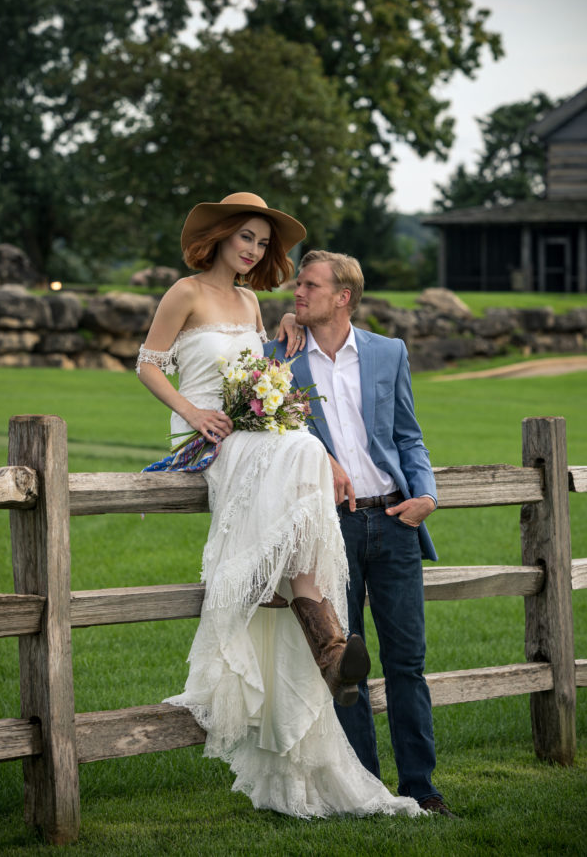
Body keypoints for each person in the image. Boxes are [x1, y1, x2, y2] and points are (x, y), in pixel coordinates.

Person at [136, 192, 423, 818]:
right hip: (210, 435)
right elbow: (148, 365)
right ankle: (319, 625)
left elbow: (262, 371)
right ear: (217, 236)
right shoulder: (184, 293)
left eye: (264, 244)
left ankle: (313, 627)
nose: (254, 251)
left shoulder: (250, 303)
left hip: (251, 430)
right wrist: (192, 413)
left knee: (305, 447)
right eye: (246, 237)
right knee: (303, 451)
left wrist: (286, 334)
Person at [267, 249, 456, 818]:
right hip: (331, 528)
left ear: (343, 296)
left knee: (407, 662)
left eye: (309, 285)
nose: (297, 293)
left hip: (396, 520)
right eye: (297, 284)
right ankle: (368, 790)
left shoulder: (387, 352)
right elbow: (272, 438)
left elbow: (408, 435)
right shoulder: (280, 357)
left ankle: (422, 787)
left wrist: (426, 496)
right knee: (345, 663)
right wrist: (321, 456)